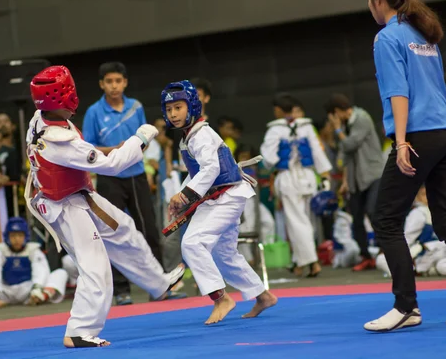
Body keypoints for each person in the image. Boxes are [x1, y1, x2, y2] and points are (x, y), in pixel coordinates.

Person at [24, 65, 184, 348]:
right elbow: (111, 165)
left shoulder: (40, 118)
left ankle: (158, 283)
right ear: (64, 96)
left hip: (78, 194)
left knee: (124, 229)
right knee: (95, 266)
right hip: (65, 207)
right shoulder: (60, 139)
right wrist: (141, 138)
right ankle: (79, 330)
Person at [363, 0, 446, 331]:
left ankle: (406, 307)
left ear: (377, 0)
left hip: (419, 135)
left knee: (386, 219)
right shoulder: (422, 33)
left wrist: (401, 141)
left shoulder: (387, 38)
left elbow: (397, 92)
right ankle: (407, 306)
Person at [162, 80, 277, 325]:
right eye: (169, 109)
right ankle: (262, 295)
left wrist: (184, 195)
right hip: (222, 196)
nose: (173, 114)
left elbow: (212, 167)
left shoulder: (201, 134)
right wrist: (180, 196)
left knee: (192, 243)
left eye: (178, 107)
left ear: (192, 106)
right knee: (224, 254)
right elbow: (196, 174)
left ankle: (221, 298)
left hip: (226, 197)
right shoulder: (189, 137)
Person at [82, 62, 181, 305]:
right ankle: (122, 290)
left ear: (125, 82)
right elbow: (88, 147)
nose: (114, 86)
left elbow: (144, 141)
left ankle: (161, 286)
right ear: (101, 85)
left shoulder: (135, 107)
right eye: (109, 82)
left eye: (118, 81)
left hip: (136, 176)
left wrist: (134, 154)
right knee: (113, 235)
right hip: (108, 178)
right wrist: (117, 150)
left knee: (148, 229)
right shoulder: (94, 112)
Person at [260, 93, 332, 277]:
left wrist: (276, 162)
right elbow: (317, 151)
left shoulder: (275, 130)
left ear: (278, 110)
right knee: (306, 221)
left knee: (297, 223)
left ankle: (312, 262)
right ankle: (301, 263)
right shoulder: (306, 127)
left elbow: (268, 158)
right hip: (308, 177)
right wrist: (324, 175)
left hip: (288, 179)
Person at [325, 93, 386, 271]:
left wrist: (337, 130)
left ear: (336, 112)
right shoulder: (344, 125)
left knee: (373, 211)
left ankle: (385, 251)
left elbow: (351, 144)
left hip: (373, 174)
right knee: (357, 217)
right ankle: (366, 256)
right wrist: (344, 180)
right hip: (355, 179)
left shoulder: (362, 118)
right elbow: (345, 154)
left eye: (332, 116)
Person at [0, 217, 68, 308]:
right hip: (4, 291)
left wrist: (37, 288)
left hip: (28, 290)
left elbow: (41, 269)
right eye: (13, 236)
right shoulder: (1, 250)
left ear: (26, 236)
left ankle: (40, 297)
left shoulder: (33, 249)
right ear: (7, 237)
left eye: (20, 235)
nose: (17, 239)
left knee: (60, 273)